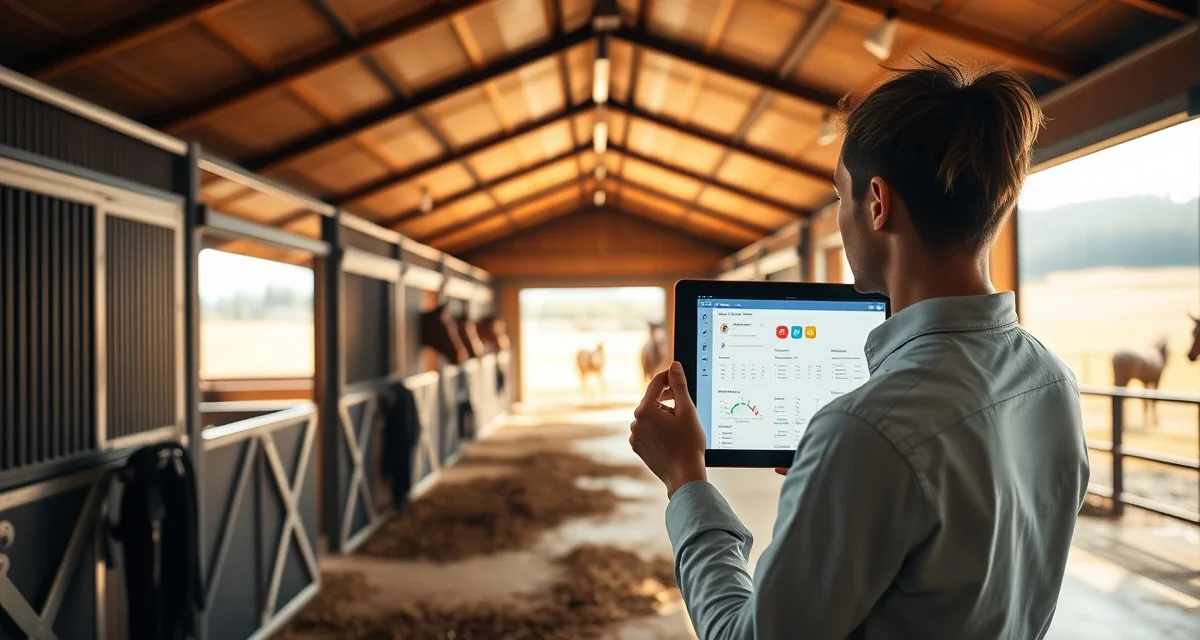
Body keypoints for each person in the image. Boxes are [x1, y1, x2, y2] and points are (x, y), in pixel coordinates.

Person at [628, 56, 1090, 639]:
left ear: (876, 202)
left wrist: (685, 479)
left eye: (839, 196)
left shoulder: (866, 431)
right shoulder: (1053, 382)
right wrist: (840, 487)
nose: (841, 216)